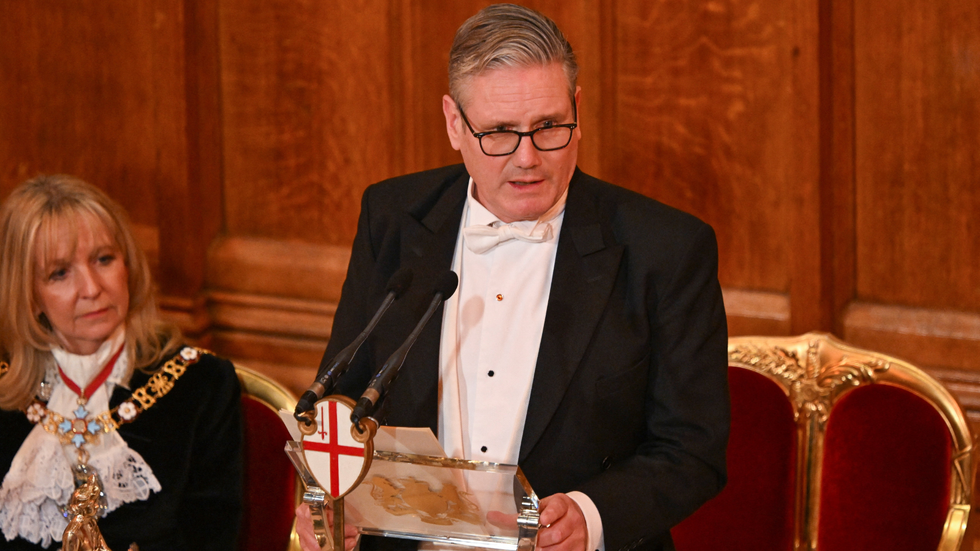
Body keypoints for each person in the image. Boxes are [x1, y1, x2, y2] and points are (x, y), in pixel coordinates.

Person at [298, 4, 729, 551]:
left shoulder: (665, 251)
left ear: (579, 109)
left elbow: (692, 449)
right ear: (455, 123)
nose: (528, 158)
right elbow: (339, 400)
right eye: (499, 132)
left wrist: (591, 516)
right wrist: (325, 497)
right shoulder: (393, 218)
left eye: (548, 126)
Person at [0, 175, 243, 551]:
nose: (93, 288)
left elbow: (213, 537)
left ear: (127, 265)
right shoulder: (6, 388)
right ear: (29, 295)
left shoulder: (200, 384)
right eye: (60, 273)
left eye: (104, 259)